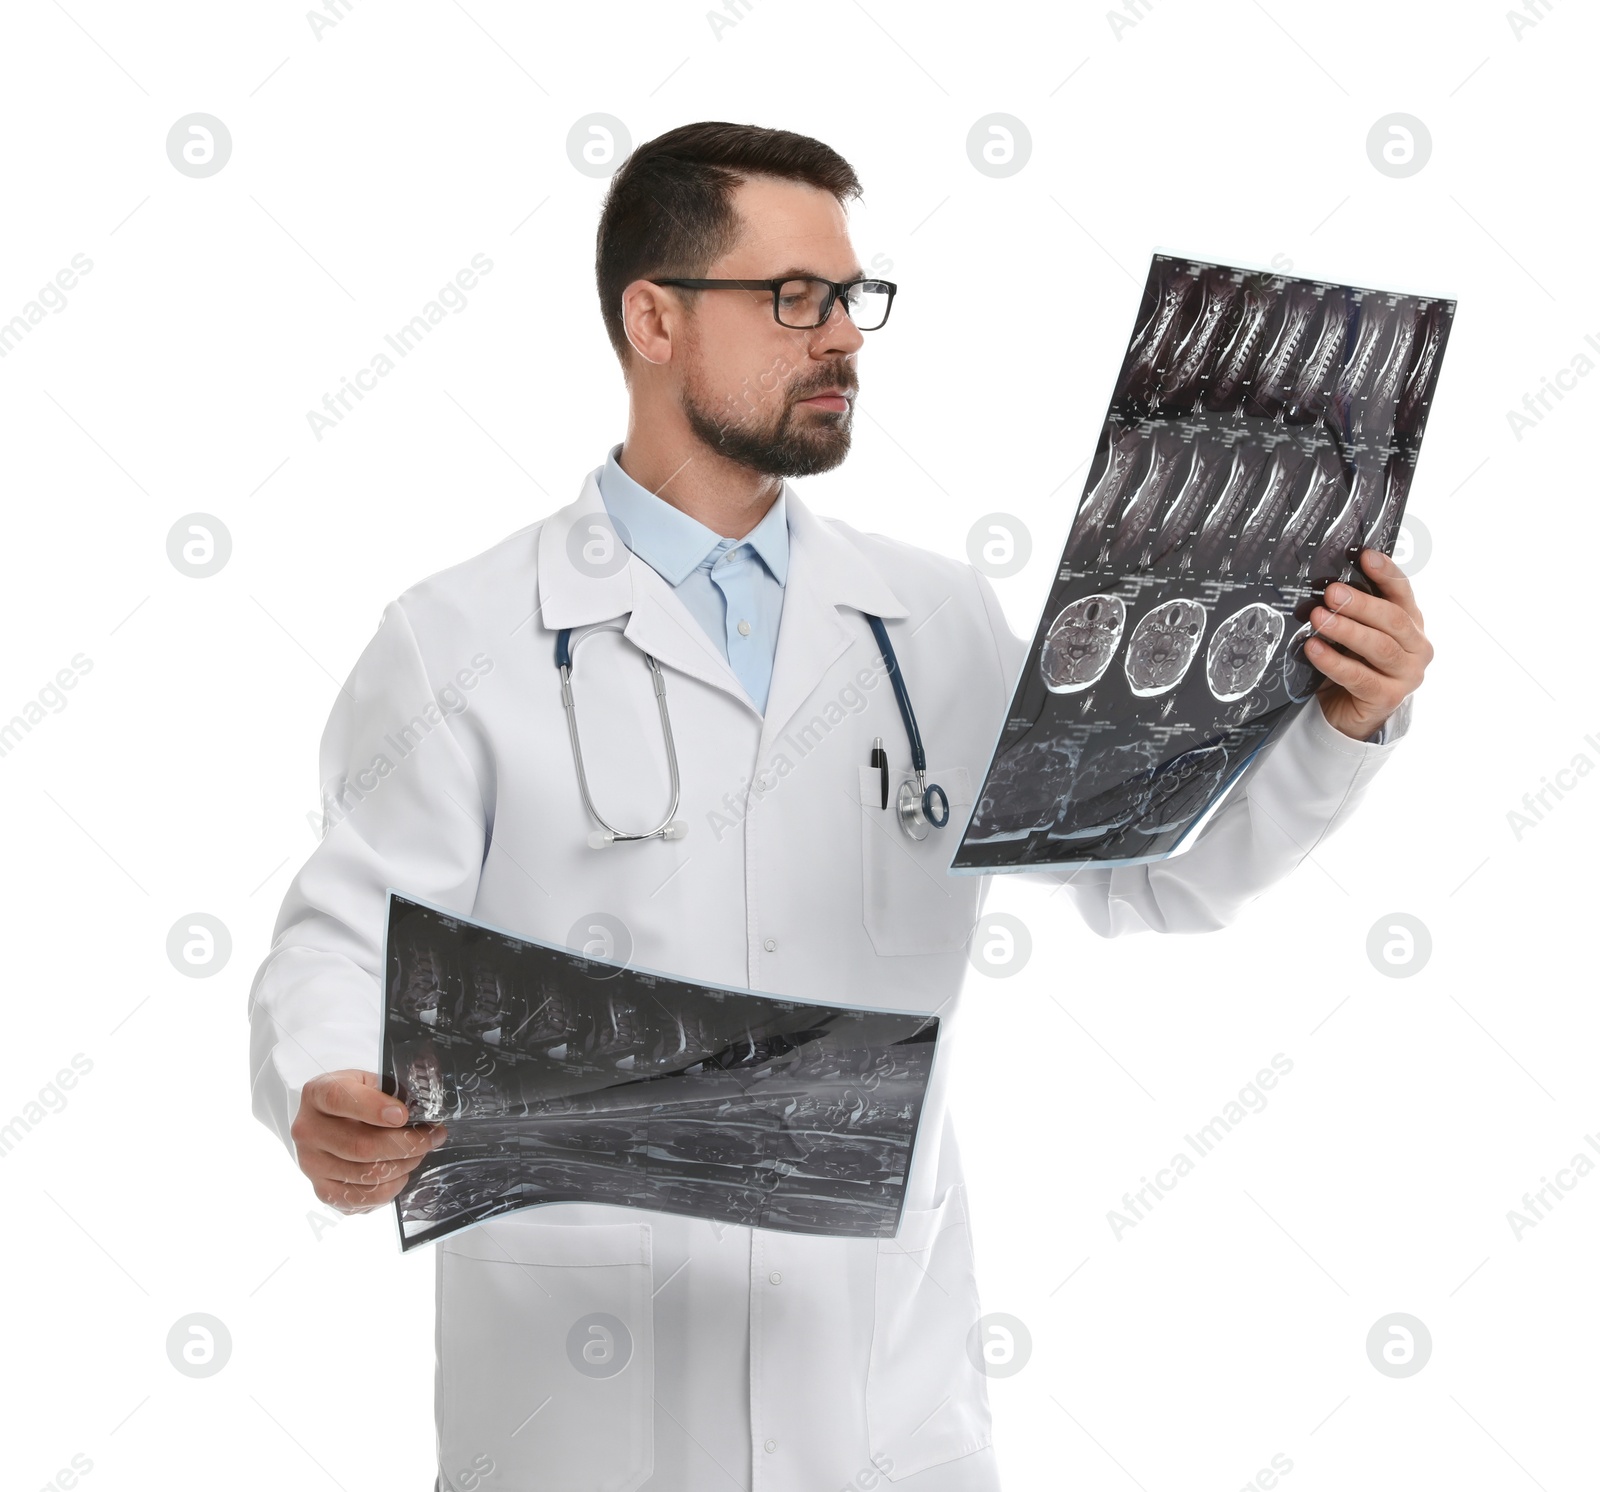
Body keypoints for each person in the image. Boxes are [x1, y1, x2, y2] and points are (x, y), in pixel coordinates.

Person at [248, 121, 1433, 1492]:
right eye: (794, 298)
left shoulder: (929, 619)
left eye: (853, 298)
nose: (845, 338)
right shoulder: (459, 638)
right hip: (580, 1407)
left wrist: (1341, 722)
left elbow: (1146, 872)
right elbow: (342, 940)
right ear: (654, 318)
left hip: (883, 1406)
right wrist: (323, 1085)